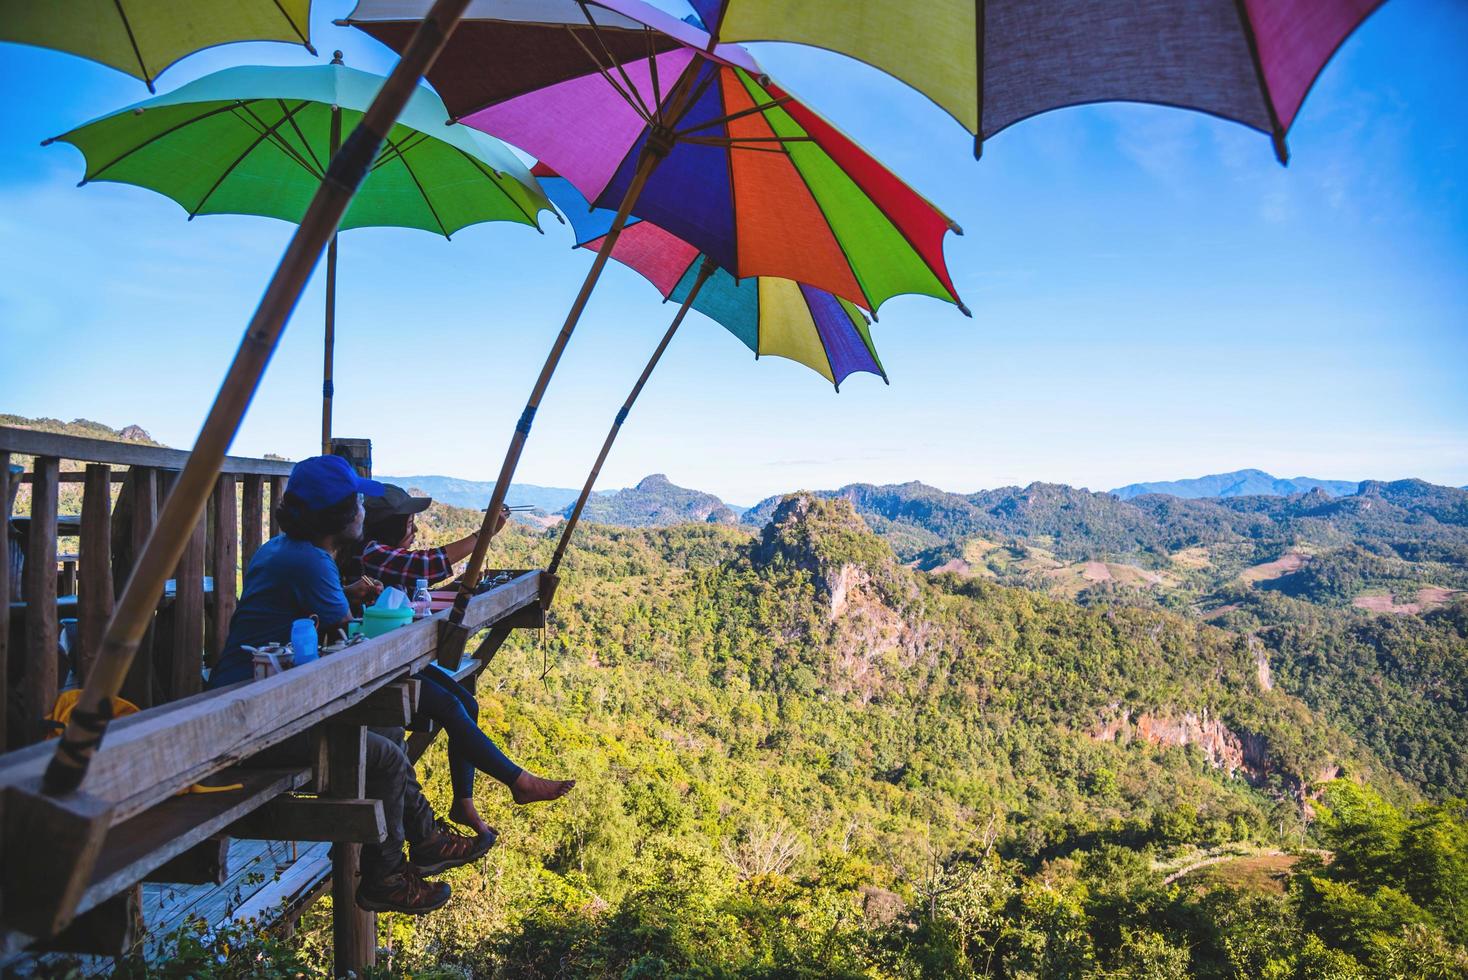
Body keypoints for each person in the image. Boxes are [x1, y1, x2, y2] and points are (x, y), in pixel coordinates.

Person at [210, 456, 492, 914]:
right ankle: (385, 876)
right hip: (253, 726)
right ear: (339, 515)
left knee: (385, 735)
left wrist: (348, 596)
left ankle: (425, 839)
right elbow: (348, 635)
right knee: (379, 754)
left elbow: (319, 618)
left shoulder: (281, 550)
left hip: (260, 703)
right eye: (358, 500)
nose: (364, 508)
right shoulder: (311, 562)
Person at [359, 484, 575, 835]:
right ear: (389, 526)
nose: (414, 531)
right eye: (410, 523)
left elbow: (411, 592)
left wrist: (455, 588)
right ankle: (518, 781)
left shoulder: (375, 557)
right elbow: (426, 565)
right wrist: (484, 534)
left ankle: (464, 803)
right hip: (375, 669)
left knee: (464, 702)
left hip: (390, 661)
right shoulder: (370, 553)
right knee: (448, 703)